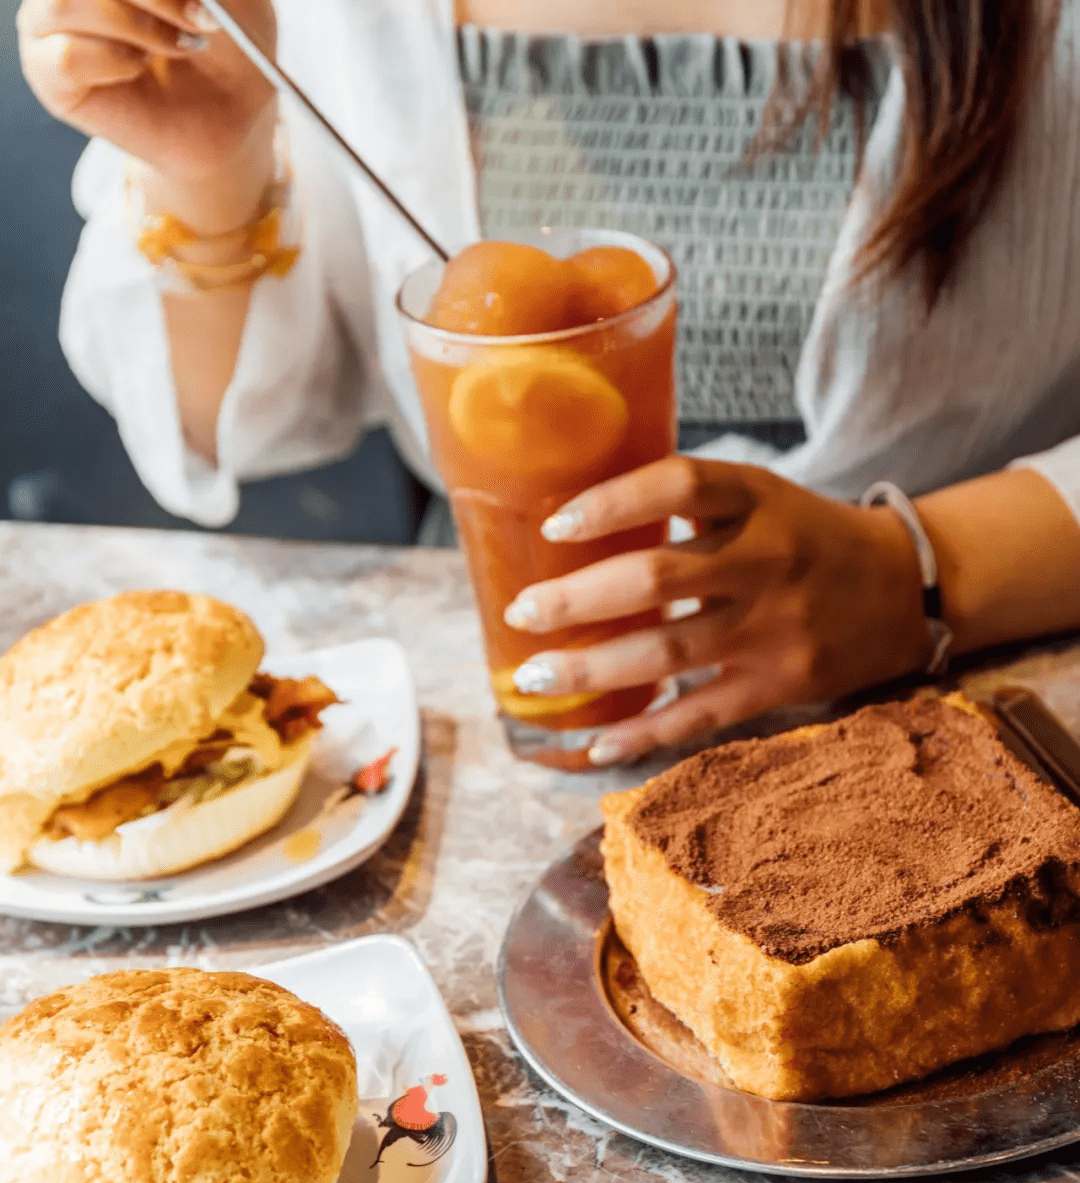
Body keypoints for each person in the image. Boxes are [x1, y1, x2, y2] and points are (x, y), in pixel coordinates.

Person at [17, 0, 1080, 761]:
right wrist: (212, 169)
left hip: (978, 691)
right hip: (509, 712)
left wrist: (918, 571)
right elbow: (245, 430)